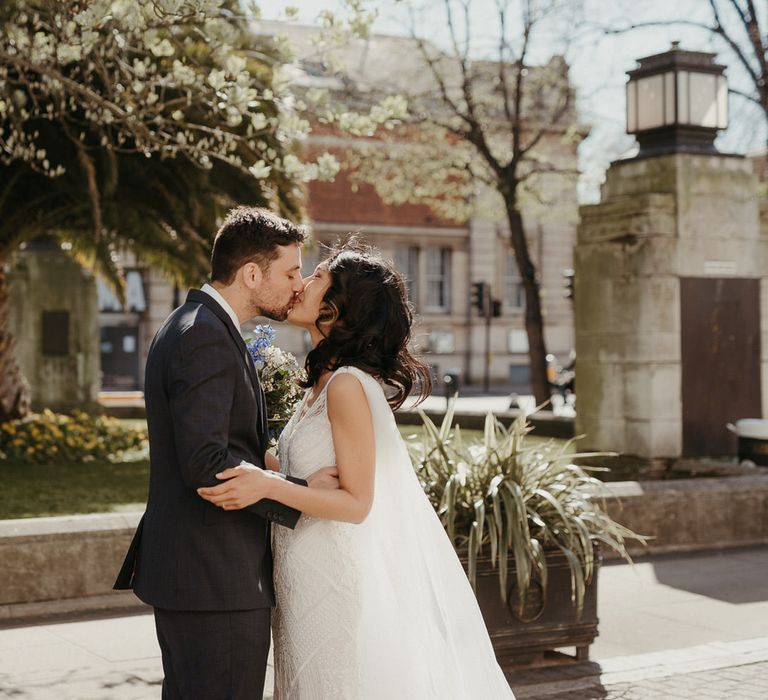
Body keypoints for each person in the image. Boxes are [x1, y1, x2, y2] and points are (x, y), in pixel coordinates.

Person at [198, 242, 516, 699]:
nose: (300, 282)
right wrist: (272, 467)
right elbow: (304, 470)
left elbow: (356, 503)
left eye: (316, 276)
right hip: (298, 568)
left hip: (328, 573)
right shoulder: (322, 383)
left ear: (339, 309)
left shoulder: (347, 386)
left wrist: (268, 484)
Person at [113, 206, 337, 700]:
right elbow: (208, 467)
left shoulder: (194, 324)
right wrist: (302, 494)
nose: (298, 285)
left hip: (199, 575)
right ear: (251, 273)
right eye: (290, 272)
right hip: (213, 579)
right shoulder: (205, 338)